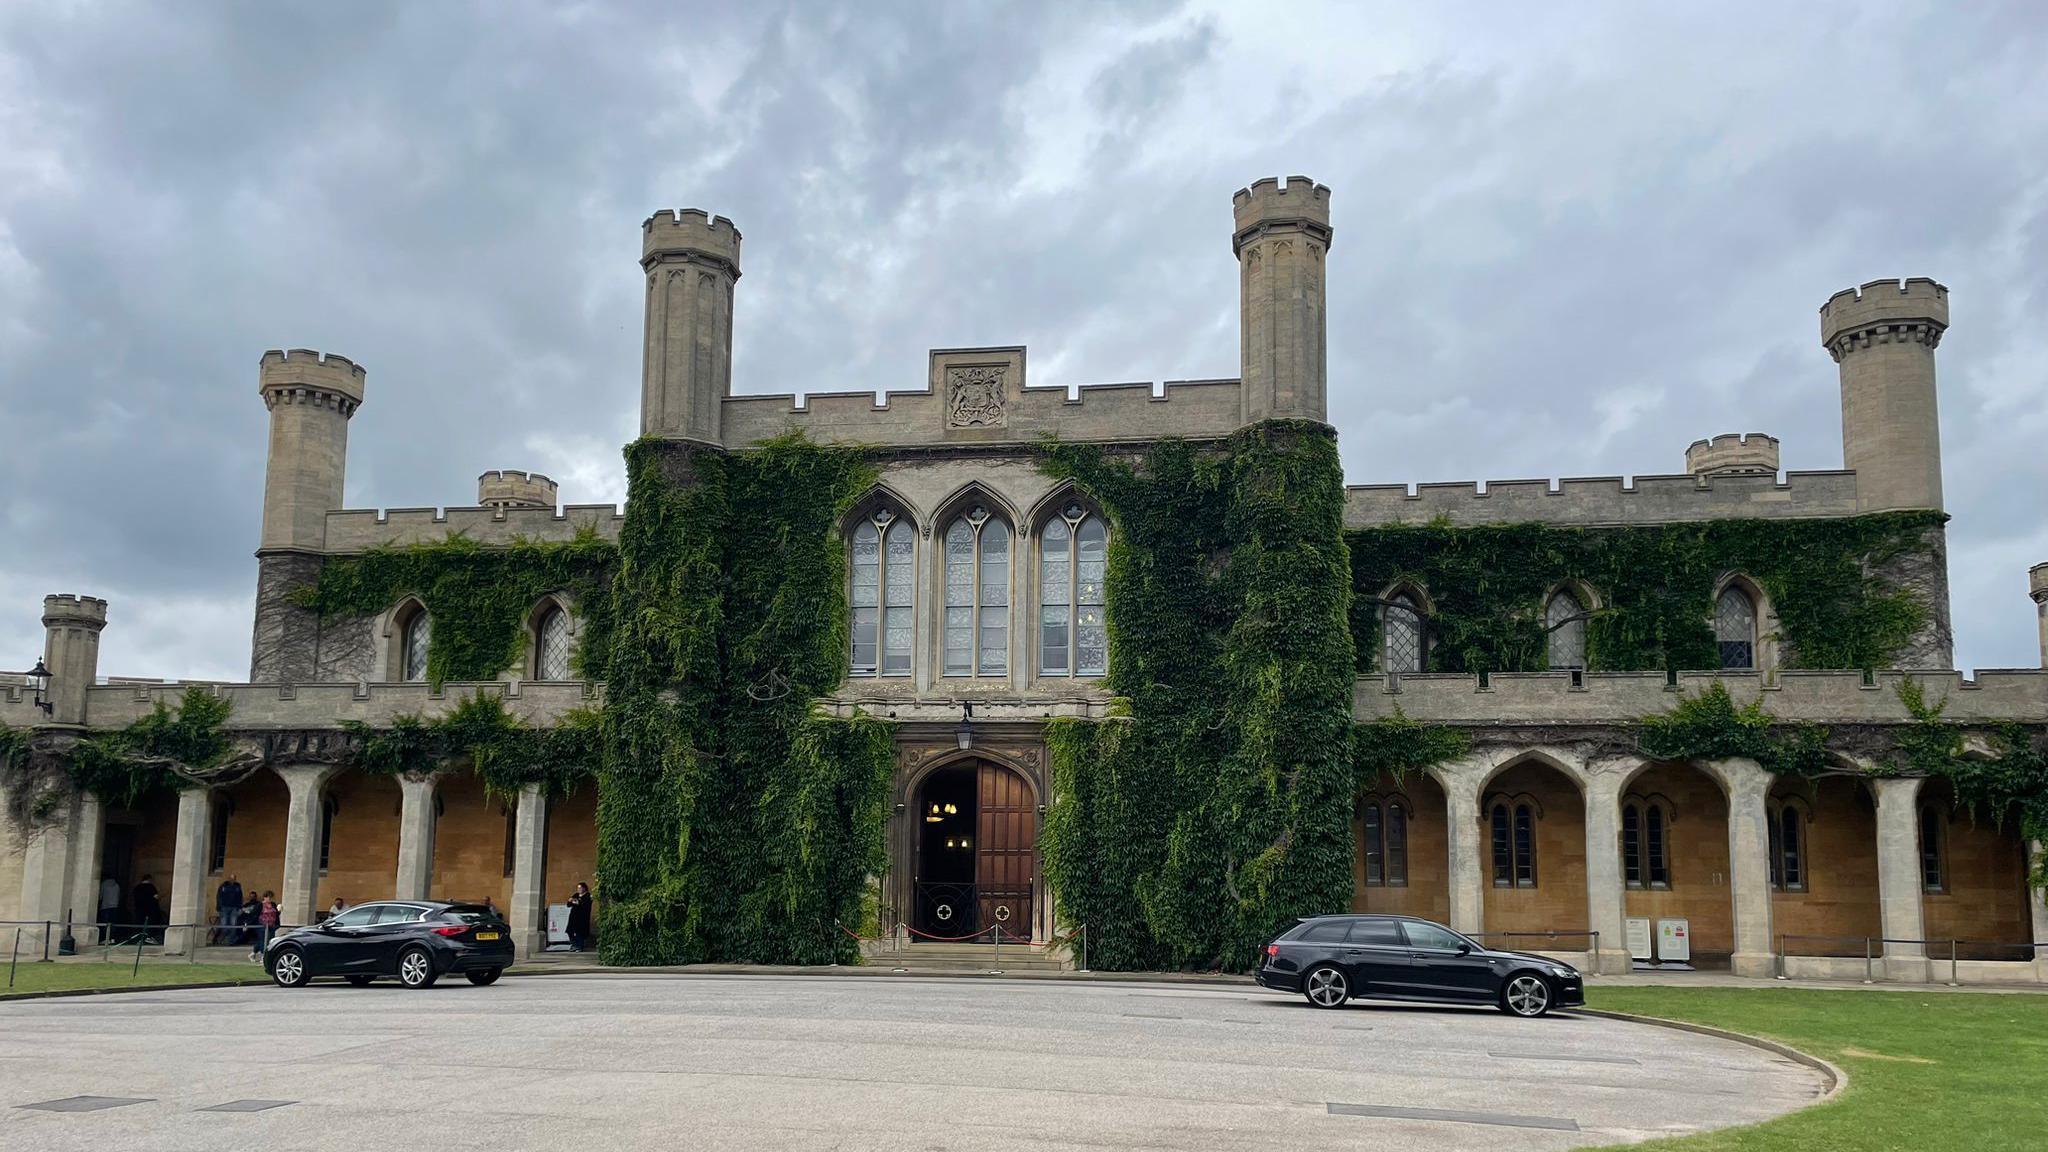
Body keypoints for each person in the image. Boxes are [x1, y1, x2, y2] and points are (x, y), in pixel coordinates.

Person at [132, 874, 162, 943]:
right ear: (149, 879)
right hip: (150, 909)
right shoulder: (151, 887)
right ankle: (148, 937)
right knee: (150, 923)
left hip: (139, 908)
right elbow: (156, 897)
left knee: (139, 923)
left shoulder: (137, 887)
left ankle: (139, 938)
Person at [250, 891, 280, 961]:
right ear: (264, 897)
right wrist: (248, 923)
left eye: (270, 897)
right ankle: (263, 956)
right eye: (268, 897)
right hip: (262, 925)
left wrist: (277, 923)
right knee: (263, 941)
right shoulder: (260, 905)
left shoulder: (273, 904)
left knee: (269, 940)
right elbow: (254, 914)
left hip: (271, 925)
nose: (269, 899)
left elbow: (276, 915)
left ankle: (253, 953)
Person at [215, 874, 244, 946]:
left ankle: (230, 941)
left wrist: (240, 907)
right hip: (224, 907)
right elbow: (219, 896)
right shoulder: (223, 886)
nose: (232, 880)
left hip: (234, 908)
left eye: (234, 878)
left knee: (233, 925)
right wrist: (219, 907)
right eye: (231, 878)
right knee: (224, 925)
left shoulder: (237, 887)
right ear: (228, 879)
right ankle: (220, 939)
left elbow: (240, 897)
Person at [565, 882, 593, 952]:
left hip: (582, 917)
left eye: (580, 888)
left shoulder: (588, 896)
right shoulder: (576, 895)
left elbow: (586, 905)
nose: (579, 889)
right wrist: (570, 901)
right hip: (573, 916)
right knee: (570, 930)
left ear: (584, 888)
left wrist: (578, 903)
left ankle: (580, 946)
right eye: (578, 888)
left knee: (579, 932)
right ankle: (574, 945)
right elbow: (569, 904)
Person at [97, 874, 122, 940]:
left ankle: (105, 939)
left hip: (105, 906)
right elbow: (118, 896)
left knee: (105, 923)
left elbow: (100, 896)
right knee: (112, 923)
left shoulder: (104, 884)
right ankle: (112, 938)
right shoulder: (117, 885)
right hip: (114, 906)